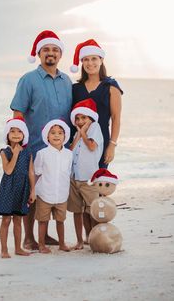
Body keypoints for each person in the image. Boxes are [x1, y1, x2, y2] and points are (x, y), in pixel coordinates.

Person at [10, 30, 72, 249]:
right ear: (39, 53)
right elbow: (18, 112)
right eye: (46, 49)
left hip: (59, 149)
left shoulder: (66, 81)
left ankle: (45, 235)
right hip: (34, 145)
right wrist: (18, 145)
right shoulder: (28, 79)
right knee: (31, 192)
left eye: (55, 50)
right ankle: (29, 238)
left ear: (60, 55)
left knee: (52, 190)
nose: (51, 53)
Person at [70, 38, 123, 242]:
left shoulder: (111, 87)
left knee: (98, 192)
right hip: (79, 146)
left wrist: (113, 145)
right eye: (86, 60)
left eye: (94, 59)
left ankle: (101, 234)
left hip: (100, 145)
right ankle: (88, 237)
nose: (90, 63)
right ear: (82, 63)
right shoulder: (76, 89)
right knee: (81, 190)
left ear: (101, 60)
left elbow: (117, 119)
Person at [0, 117, 35, 258]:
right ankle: (4, 250)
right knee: (6, 219)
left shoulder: (28, 152)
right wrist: (15, 153)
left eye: (19, 131)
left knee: (18, 219)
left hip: (22, 188)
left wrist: (33, 190)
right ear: (7, 134)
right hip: (8, 189)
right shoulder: (5, 152)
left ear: (24, 135)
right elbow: (8, 170)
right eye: (12, 131)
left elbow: (30, 172)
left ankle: (18, 248)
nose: (16, 134)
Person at [67, 98, 104, 249]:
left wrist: (83, 132)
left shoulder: (95, 128)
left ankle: (95, 237)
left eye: (84, 117)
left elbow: (92, 146)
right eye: (78, 118)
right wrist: (79, 133)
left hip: (89, 178)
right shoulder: (77, 133)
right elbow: (69, 152)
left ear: (91, 118)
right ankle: (81, 240)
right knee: (78, 211)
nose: (80, 120)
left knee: (92, 210)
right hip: (75, 177)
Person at [34, 119, 72, 253]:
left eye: (60, 133)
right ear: (47, 136)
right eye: (53, 133)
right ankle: (41, 245)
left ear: (65, 136)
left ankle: (62, 244)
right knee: (43, 221)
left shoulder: (69, 154)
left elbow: (68, 173)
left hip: (62, 194)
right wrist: (32, 191)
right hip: (45, 193)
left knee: (60, 220)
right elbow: (37, 172)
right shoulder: (42, 154)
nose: (56, 135)